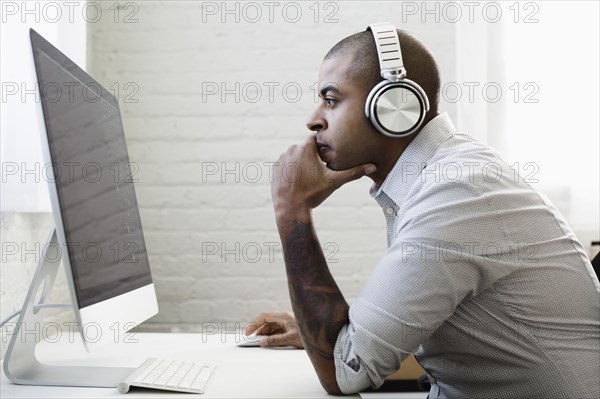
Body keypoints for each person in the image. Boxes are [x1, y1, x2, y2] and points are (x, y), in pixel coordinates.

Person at [245, 24, 600, 398]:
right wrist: (328, 335)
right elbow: (371, 351)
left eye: (331, 100)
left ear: (394, 108)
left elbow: (344, 375)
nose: (314, 118)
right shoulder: (442, 176)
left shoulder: (458, 192)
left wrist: (291, 208)